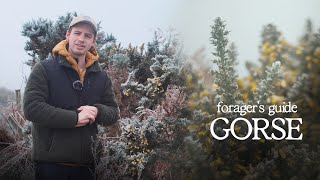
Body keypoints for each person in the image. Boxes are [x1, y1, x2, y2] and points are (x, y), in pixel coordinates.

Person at [23, 15, 119, 180]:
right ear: (68, 35)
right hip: (51, 166)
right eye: (77, 33)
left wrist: (97, 111)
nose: (81, 39)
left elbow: (113, 112)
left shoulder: (101, 77)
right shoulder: (44, 69)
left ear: (93, 41)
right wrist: (74, 118)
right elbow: (32, 108)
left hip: (88, 166)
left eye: (87, 36)